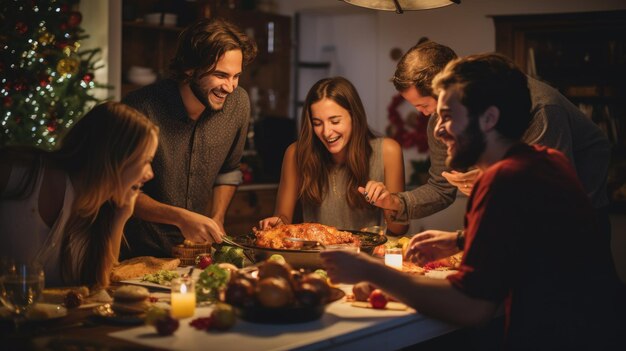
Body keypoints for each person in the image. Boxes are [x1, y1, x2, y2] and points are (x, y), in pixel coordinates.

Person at [321, 54, 622, 350]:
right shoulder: (548, 160)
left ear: (489, 118)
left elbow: (472, 308)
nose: (437, 130)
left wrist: (370, 271)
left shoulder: (503, 179)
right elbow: (537, 234)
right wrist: (462, 240)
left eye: (448, 117)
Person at [363, 41, 611, 238]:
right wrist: (396, 202)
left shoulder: (539, 110)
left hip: (577, 215)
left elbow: (549, 193)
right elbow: (442, 187)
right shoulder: (439, 118)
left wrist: (490, 180)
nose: (435, 125)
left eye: (425, 105)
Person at [121, 18, 257, 259]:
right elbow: (119, 190)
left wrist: (217, 215)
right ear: (189, 69)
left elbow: (229, 170)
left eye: (236, 76)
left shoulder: (238, 104)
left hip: (195, 257)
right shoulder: (140, 109)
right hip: (136, 255)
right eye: (221, 75)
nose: (230, 87)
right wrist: (180, 217)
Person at [0, 102, 158, 288]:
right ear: (115, 157)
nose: (150, 174)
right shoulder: (21, 172)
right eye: (146, 160)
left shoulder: (101, 213)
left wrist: (121, 217)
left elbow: (99, 286)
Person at [258, 77, 407, 235]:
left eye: (335, 121)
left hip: (368, 257)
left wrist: (387, 203)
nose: (326, 132)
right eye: (317, 123)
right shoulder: (296, 154)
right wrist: (276, 224)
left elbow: (399, 229)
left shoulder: (388, 151)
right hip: (316, 257)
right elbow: (283, 220)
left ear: (354, 117)